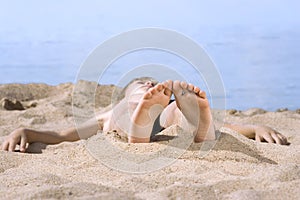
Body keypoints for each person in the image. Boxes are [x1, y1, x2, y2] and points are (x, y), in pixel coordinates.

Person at [1, 77, 288, 152]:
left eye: (153, 85)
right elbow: (62, 136)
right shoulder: (109, 114)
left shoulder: (167, 107)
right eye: (141, 85)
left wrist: (254, 127)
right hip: (125, 122)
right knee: (126, 117)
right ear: (124, 94)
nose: (149, 86)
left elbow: (231, 128)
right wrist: (25, 131)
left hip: (159, 122)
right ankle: (138, 129)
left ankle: (199, 129)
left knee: (178, 111)